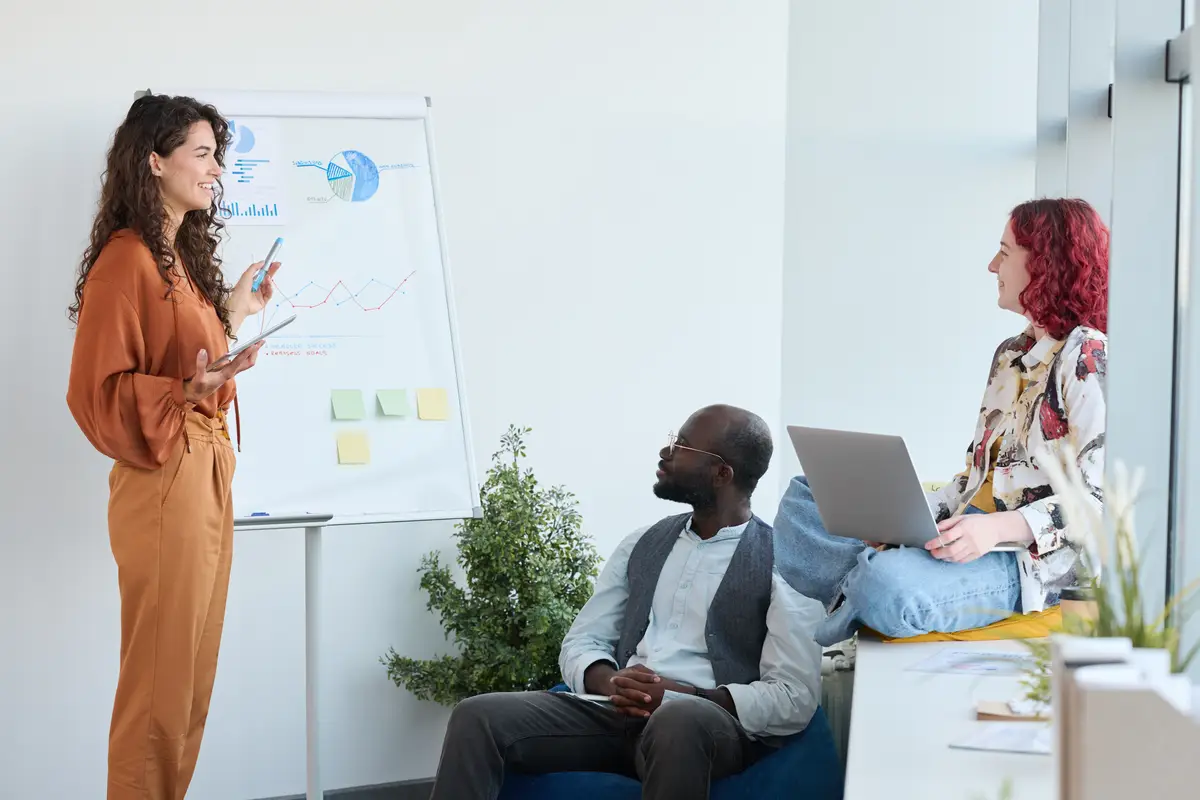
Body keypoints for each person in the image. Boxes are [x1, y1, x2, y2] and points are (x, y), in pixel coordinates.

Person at [428, 405, 825, 800]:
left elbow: (793, 697)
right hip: (612, 712)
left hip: (705, 726)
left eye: (682, 446)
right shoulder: (641, 543)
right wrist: (611, 680)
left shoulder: (784, 566)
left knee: (678, 719)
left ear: (722, 473)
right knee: (477, 715)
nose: (665, 452)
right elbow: (582, 642)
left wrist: (680, 695)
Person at [65, 94, 282, 799]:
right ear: (153, 161)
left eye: (219, 155)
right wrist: (185, 394)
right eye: (203, 153)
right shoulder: (126, 260)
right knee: (159, 685)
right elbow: (95, 393)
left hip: (203, 469)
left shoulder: (175, 262)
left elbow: (180, 362)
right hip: (165, 475)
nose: (217, 168)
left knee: (187, 681)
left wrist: (234, 315)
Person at [774, 197, 1109, 647]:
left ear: (1045, 262)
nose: (993, 266)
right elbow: (974, 480)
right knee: (805, 497)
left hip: (1034, 563)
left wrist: (994, 530)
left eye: (1005, 252)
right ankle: (870, 573)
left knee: (889, 588)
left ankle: (871, 581)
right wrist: (902, 517)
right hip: (969, 524)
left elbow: (1100, 501)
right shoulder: (1010, 354)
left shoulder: (1087, 354)